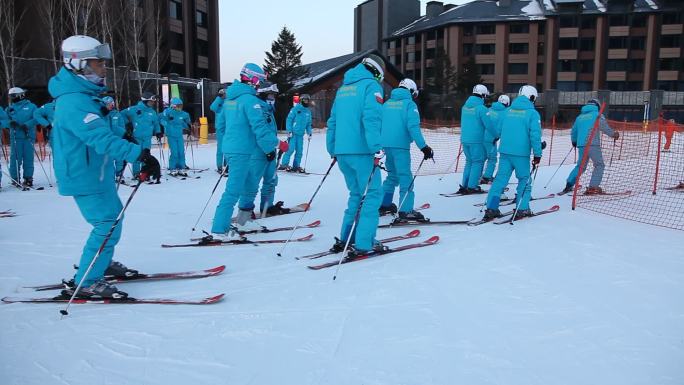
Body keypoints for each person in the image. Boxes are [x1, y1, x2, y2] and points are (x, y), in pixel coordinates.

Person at [49, 35, 159, 299]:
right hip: (82, 174)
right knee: (106, 222)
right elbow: (97, 138)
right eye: (98, 64)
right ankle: (87, 281)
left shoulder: (86, 96)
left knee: (112, 219)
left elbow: (101, 129)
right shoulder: (74, 100)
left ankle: (100, 262)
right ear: (78, 64)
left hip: (96, 173)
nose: (103, 68)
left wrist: (127, 139)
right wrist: (139, 154)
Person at [326, 54, 386, 257]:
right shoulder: (371, 86)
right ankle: (364, 242)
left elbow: (332, 121)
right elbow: (372, 118)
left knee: (356, 195)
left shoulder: (343, 89)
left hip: (343, 152)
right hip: (362, 152)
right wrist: (376, 147)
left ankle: (346, 238)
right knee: (371, 196)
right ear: (376, 72)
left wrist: (332, 148)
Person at [210, 63, 278, 238]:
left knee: (249, 185)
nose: (259, 85)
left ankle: (243, 221)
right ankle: (220, 229)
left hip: (237, 149)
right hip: (241, 151)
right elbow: (260, 128)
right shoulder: (250, 101)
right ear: (253, 79)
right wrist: (272, 146)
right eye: (259, 81)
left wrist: (231, 144)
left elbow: (222, 126)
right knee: (233, 190)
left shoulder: (229, 100)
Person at [483, 85, 542, 220]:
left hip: (505, 152)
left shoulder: (508, 111)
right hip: (521, 154)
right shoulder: (532, 114)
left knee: (500, 181)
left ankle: (492, 207)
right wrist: (537, 153)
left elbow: (498, 130)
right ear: (531, 97)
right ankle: (522, 208)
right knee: (524, 180)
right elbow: (535, 135)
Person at [378, 78, 433, 221]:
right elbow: (413, 127)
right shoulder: (409, 105)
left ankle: (384, 204)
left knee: (392, 176)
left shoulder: (387, 104)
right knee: (405, 177)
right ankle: (406, 210)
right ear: (410, 91)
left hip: (386, 145)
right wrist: (424, 147)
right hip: (400, 146)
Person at [250, 82, 291, 216]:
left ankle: (267, 206)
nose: (272, 98)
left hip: (269, 152)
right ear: (262, 94)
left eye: (274, 95)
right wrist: (271, 148)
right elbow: (260, 133)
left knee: (271, 180)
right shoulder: (257, 109)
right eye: (270, 95)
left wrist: (272, 148)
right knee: (253, 183)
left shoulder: (268, 110)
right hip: (257, 152)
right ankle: (246, 210)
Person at [561, 99, 618, 195]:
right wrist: (613, 134)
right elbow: (604, 127)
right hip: (593, 144)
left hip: (581, 145)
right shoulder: (597, 115)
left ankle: (569, 183)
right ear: (597, 106)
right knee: (599, 165)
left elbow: (574, 131)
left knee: (581, 166)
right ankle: (593, 187)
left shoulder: (580, 117)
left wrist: (574, 141)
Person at [458, 84, 494, 194]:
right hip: (476, 140)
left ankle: (465, 184)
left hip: (465, 139)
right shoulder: (481, 109)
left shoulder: (464, 107)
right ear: (482, 95)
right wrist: (496, 135)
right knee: (477, 162)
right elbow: (489, 125)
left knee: (469, 162)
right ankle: (472, 186)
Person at [123, 91, 161, 180]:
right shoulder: (134, 109)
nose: (152, 103)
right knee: (137, 155)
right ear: (145, 101)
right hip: (137, 137)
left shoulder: (152, 112)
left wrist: (158, 132)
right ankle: (136, 173)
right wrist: (128, 124)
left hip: (147, 138)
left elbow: (156, 123)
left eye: (153, 101)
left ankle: (145, 173)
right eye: (151, 101)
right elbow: (121, 114)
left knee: (146, 156)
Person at [5, 87, 37, 187]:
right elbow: (5, 120)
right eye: (11, 96)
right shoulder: (10, 108)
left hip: (28, 137)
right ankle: (15, 178)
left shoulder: (31, 107)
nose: (12, 98)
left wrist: (27, 124)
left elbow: (37, 118)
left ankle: (28, 178)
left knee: (28, 159)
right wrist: (10, 123)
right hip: (15, 137)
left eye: (14, 96)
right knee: (15, 159)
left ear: (20, 95)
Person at [279, 93, 313, 172]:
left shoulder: (308, 112)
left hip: (300, 135)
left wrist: (309, 133)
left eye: (307, 100)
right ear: (301, 100)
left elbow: (308, 124)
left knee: (299, 151)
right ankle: (284, 165)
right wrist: (289, 130)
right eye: (304, 100)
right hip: (293, 134)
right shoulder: (295, 109)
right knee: (290, 150)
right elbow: (289, 120)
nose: (306, 101)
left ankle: (296, 166)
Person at [481, 94, 510, 184]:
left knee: (482, 157)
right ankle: (487, 177)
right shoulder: (505, 113)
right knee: (492, 159)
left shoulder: (490, 109)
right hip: (492, 138)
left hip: (481, 136)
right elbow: (503, 127)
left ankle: (477, 175)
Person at [160, 97, 192, 176]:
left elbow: (182, 123)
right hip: (171, 135)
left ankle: (181, 167)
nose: (180, 107)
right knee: (174, 152)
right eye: (178, 106)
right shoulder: (168, 112)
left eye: (181, 106)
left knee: (181, 152)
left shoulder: (181, 114)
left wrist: (188, 128)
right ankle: (172, 168)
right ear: (173, 106)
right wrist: (166, 124)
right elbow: (161, 119)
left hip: (179, 135)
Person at [102, 96, 129, 179]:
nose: (110, 106)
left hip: (117, 140)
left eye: (111, 104)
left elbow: (122, 126)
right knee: (109, 159)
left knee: (119, 158)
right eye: (107, 104)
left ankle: (119, 174)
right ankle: (110, 176)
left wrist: (124, 135)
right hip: (107, 141)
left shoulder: (117, 114)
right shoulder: (101, 115)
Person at [210, 88, 227, 172]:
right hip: (220, 128)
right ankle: (219, 166)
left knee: (228, 147)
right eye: (222, 93)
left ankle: (227, 165)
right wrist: (219, 98)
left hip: (228, 128)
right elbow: (212, 108)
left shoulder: (229, 101)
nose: (224, 94)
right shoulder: (218, 102)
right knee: (220, 148)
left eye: (225, 93)